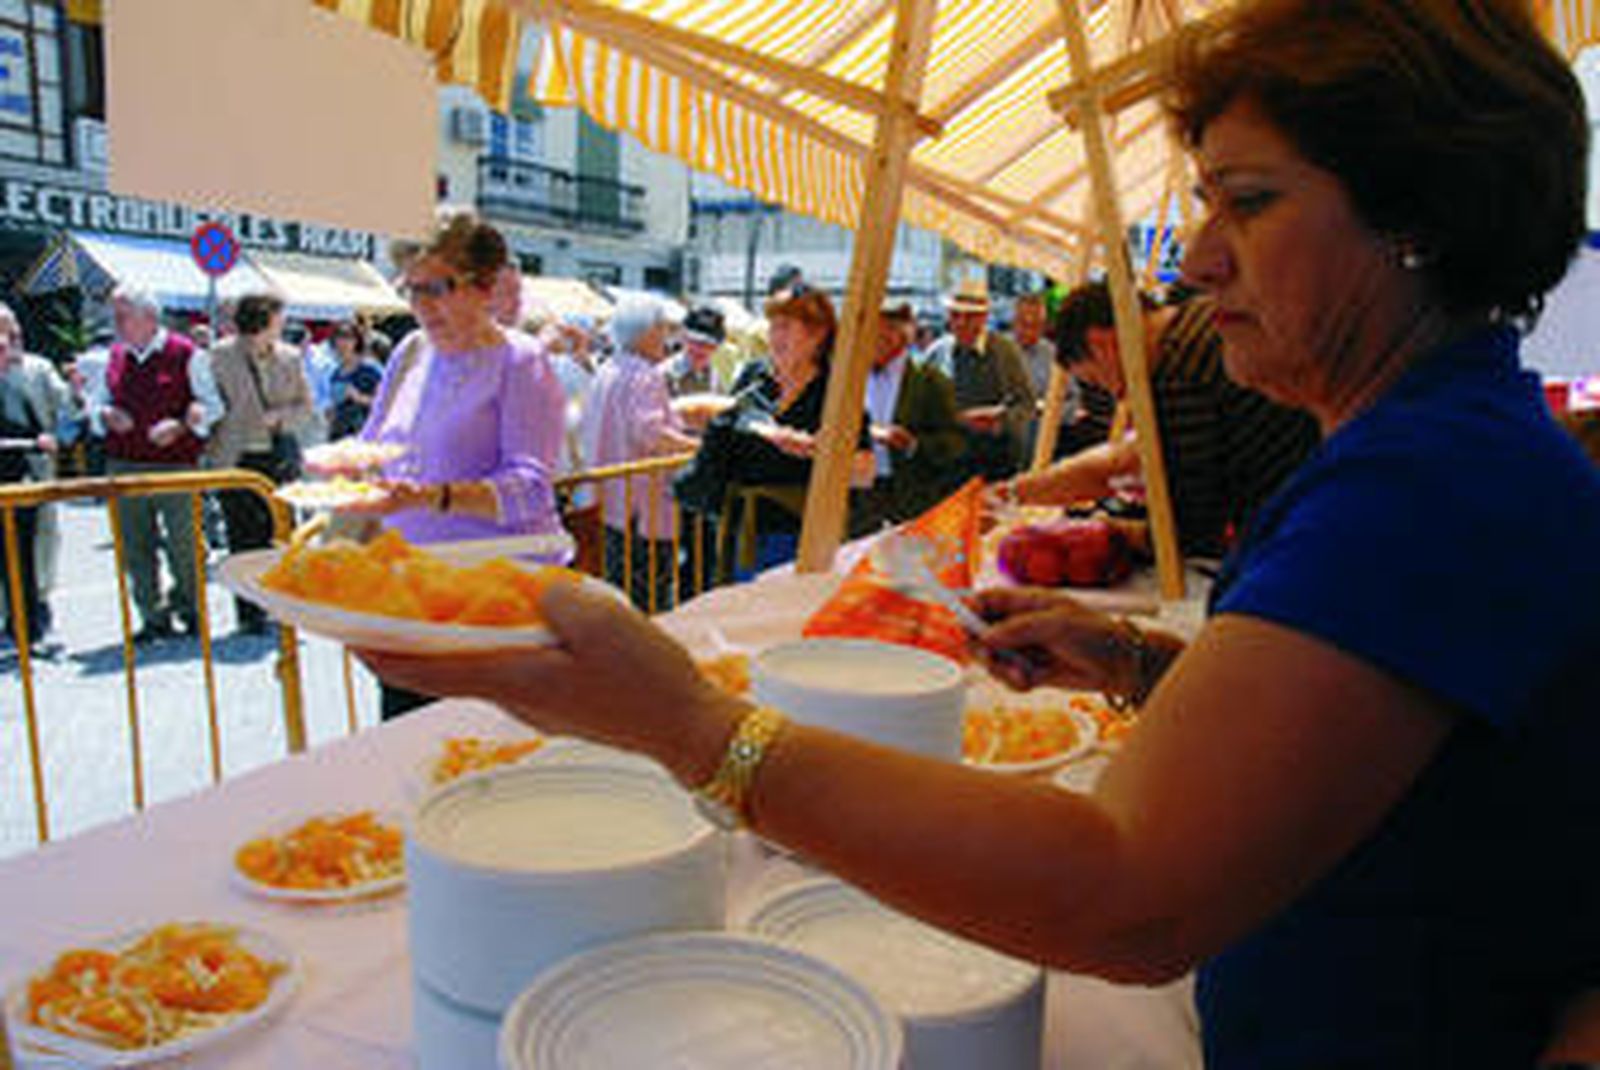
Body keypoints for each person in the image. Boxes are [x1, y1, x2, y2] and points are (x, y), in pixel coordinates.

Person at [364, 2, 1600, 1065]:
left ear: (1422, 217)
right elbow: (1368, 730)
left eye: (1251, 202)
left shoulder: (1430, 483)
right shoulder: (1441, 447)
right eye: (1203, 202)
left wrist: (687, 724)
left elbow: (1123, 892)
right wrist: (1132, 660)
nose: (1197, 258)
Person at [341, 209, 568, 719]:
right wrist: (347, 473)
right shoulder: (410, 351)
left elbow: (532, 488)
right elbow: (372, 445)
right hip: (411, 596)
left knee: (478, 745)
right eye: (411, 290)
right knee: (406, 738)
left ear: (484, 286)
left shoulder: (521, 360)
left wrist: (431, 497)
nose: (422, 306)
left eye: (437, 288)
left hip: (491, 603)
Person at [1002, 279, 1320, 556]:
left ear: (1103, 345)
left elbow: (1189, 531)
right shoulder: (1193, 319)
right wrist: (1020, 491)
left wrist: (1109, 531)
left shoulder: (1176, 370)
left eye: (1097, 380)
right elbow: (1128, 457)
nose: (1116, 396)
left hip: (1298, 532)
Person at [673, 285, 875, 575]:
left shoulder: (836, 393)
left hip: (800, 538)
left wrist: (815, 451)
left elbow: (865, 472)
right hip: (740, 532)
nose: (774, 336)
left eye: (785, 327)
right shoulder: (755, 376)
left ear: (817, 335)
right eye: (772, 326)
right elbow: (730, 421)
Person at [90, 285, 223, 643]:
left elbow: (212, 406)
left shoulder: (187, 354)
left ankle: (189, 607)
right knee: (135, 546)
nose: (115, 323)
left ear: (149, 317)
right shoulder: (113, 356)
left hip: (176, 466)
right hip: (124, 463)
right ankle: (152, 616)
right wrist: (105, 414)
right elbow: (95, 403)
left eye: (122, 316)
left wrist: (181, 425)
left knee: (185, 544)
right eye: (115, 316)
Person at [581, 294, 700, 611]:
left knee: (617, 591)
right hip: (641, 507)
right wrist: (697, 447)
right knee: (648, 595)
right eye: (662, 328)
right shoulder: (645, 374)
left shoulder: (607, 370)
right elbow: (651, 434)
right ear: (646, 332)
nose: (667, 337)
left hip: (609, 501)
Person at [205, 293, 312, 634]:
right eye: (279, 318)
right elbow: (210, 403)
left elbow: (305, 405)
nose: (284, 324)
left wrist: (281, 416)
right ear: (263, 320)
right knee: (241, 535)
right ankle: (248, 612)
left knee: (279, 531)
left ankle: (278, 604)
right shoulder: (220, 355)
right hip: (236, 455)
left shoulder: (290, 357)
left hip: (277, 454)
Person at [0, 304, 70, 649]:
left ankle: (35, 616)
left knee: (37, 547)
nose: (10, 343)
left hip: (32, 476)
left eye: (11, 333)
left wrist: (58, 436)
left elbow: (65, 411)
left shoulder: (37, 369)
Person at [861, 301, 968, 525]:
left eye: (882, 334)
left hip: (910, 498)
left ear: (902, 336)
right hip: (861, 496)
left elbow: (956, 443)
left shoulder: (930, 381)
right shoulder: (848, 379)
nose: (871, 343)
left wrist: (912, 444)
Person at [922, 277, 1036, 481]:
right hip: (948, 462)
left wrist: (998, 422)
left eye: (970, 317)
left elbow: (1026, 404)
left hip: (994, 460)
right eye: (955, 315)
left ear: (984, 317)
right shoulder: (937, 352)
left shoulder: (1005, 351)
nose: (961, 323)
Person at [1011, 291, 1078, 462]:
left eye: (1034, 325)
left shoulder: (1054, 355)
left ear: (1044, 326)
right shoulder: (1001, 351)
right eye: (1023, 323)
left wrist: (1050, 412)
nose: (1027, 331)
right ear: (1013, 322)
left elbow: (1074, 401)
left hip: (1044, 442)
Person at [327, 322, 382, 441]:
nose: (342, 342)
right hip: (340, 434)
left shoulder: (370, 369)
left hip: (365, 433)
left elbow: (386, 401)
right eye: (339, 337)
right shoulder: (335, 373)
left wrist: (358, 398)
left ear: (357, 341)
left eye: (348, 337)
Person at [665, 305, 728, 397]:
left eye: (709, 345)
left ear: (716, 348)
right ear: (684, 338)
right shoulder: (665, 374)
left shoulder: (714, 379)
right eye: (695, 341)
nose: (700, 349)